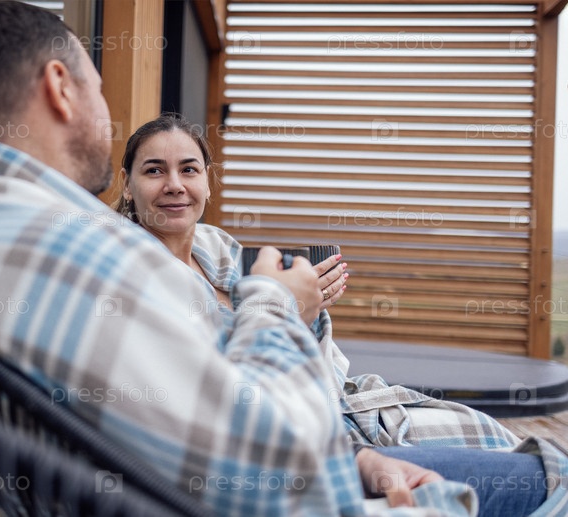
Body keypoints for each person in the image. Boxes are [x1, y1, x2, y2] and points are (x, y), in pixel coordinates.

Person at [0, 2, 533, 515]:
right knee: (549, 474)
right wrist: (276, 304)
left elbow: (200, 419)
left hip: (292, 464)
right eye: (99, 90)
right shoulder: (66, 253)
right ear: (61, 88)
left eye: (190, 170)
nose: (106, 116)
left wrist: (359, 455)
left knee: (511, 452)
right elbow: (270, 463)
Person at [113, 113, 568, 515]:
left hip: (346, 406)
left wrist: (311, 307)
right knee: (546, 474)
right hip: (302, 449)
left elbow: (289, 333)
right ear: (128, 184)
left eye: (188, 169)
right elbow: (223, 396)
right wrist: (288, 310)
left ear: (207, 181)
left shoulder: (218, 247)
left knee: (500, 439)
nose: (175, 184)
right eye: (154, 170)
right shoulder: (137, 278)